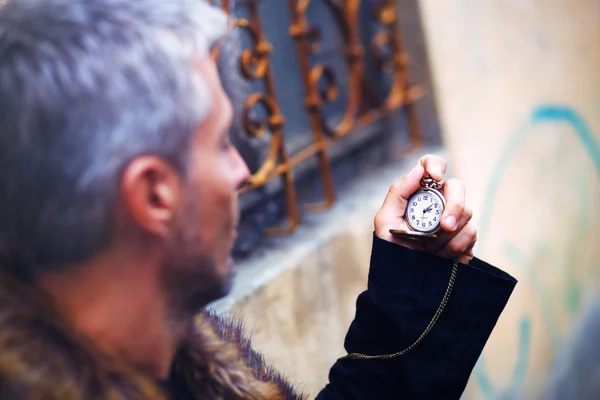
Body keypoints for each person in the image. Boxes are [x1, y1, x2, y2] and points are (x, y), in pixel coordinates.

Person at [0, 0, 517, 398]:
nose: (243, 173)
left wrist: (412, 277)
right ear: (153, 194)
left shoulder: (178, 359)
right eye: (222, 143)